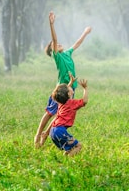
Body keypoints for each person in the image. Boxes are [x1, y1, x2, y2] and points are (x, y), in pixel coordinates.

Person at [34, 11, 91, 148]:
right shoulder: (57, 57)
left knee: (62, 113)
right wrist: (51, 24)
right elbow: (54, 40)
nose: (59, 44)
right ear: (52, 50)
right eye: (55, 45)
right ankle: (38, 135)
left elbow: (77, 43)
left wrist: (85, 32)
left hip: (71, 88)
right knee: (50, 113)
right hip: (61, 90)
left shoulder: (67, 53)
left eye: (59, 44)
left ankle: (46, 134)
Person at [49, 73, 88, 156]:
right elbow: (84, 101)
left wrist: (70, 82)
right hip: (60, 131)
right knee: (78, 146)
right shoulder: (71, 103)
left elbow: (63, 91)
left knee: (70, 148)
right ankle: (68, 162)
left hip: (53, 131)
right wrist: (85, 89)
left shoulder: (61, 102)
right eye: (69, 88)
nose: (70, 87)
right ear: (69, 94)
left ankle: (64, 160)